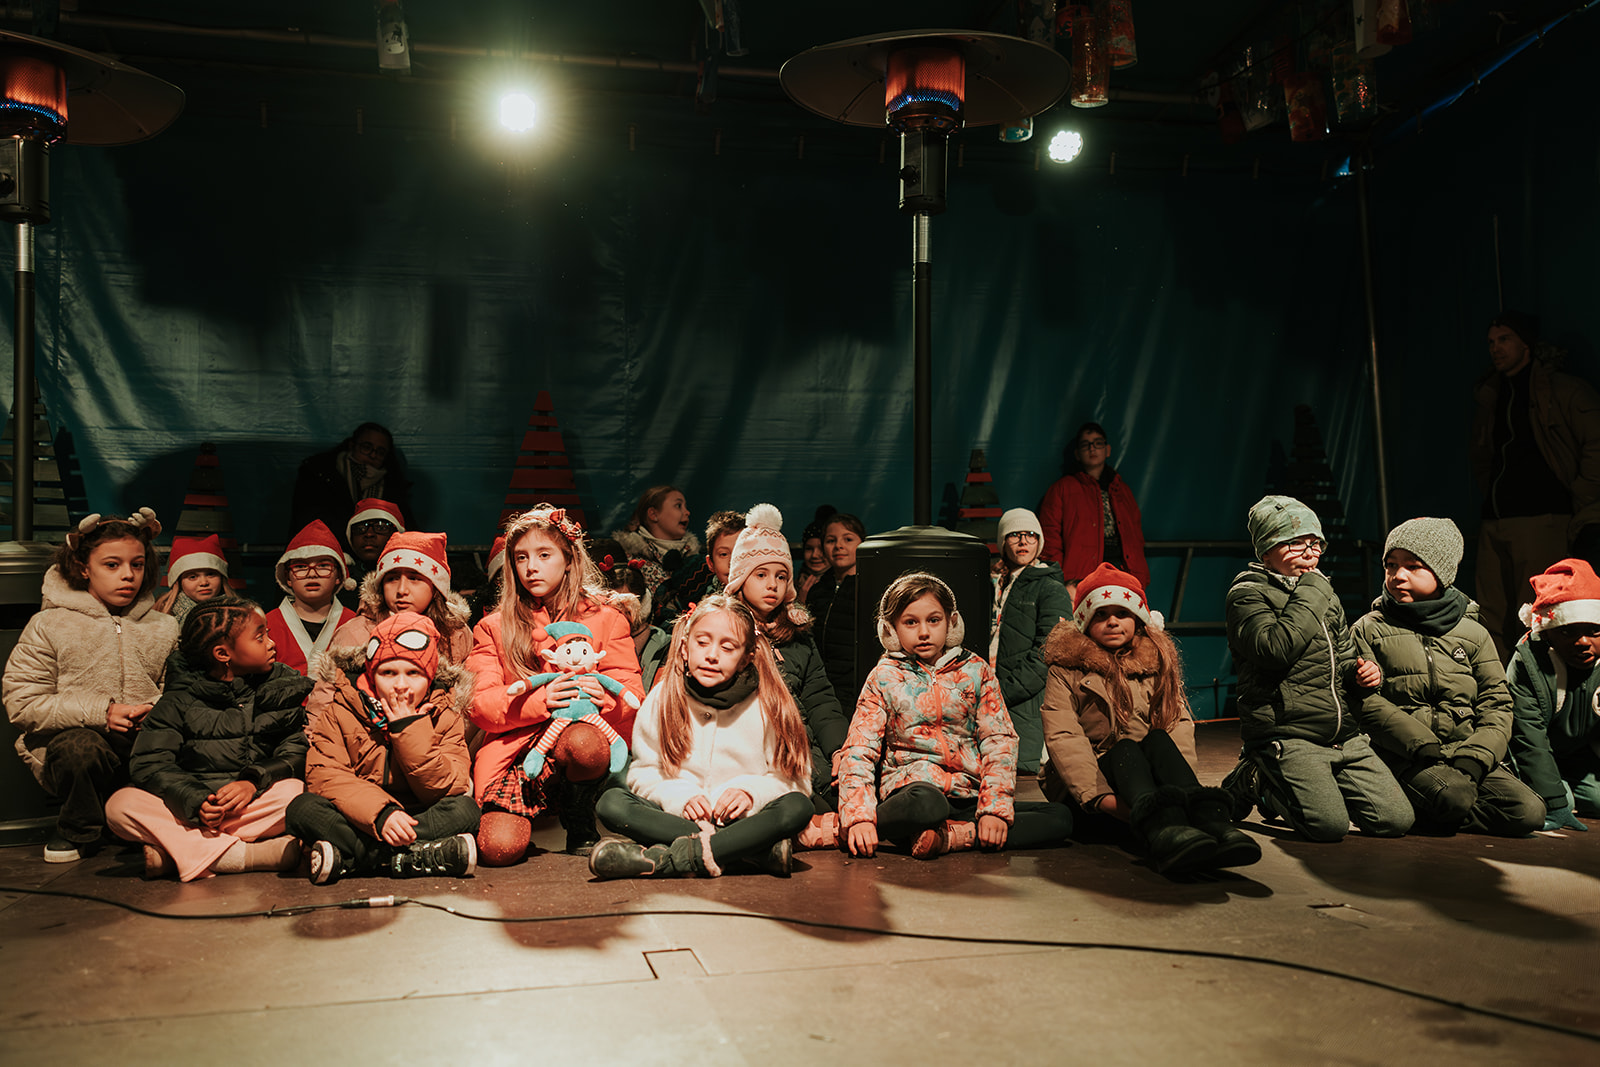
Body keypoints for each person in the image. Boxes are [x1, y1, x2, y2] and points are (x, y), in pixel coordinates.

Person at [1040, 564, 1261, 875]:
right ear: (1085, 621)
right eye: (1101, 614)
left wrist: (1180, 795)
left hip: (1156, 792)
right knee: (1125, 749)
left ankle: (1210, 822)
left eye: (1122, 613)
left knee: (1158, 738)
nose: (1112, 621)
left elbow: (1176, 725)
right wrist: (1101, 799)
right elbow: (1064, 738)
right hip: (1094, 797)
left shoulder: (1155, 663)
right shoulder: (1066, 670)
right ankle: (1165, 833)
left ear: (1138, 618)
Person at [837, 572, 1073, 859]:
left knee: (1060, 817)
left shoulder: (977, 670)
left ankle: (950, 837)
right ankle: (854, 828)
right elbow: (860, 747)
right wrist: (859, 817)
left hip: (967, 795)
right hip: (913, 793)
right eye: (910, 622)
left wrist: (993, 809)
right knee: (927, 804)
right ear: (891, 630)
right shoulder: (884, 676)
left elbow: (999, 740)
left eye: (933, 620)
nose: (924, 632)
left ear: (951, 622)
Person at [1219, 496, 1414, 842]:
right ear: (1266, 551)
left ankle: (1315, 784)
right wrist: (1312, 590)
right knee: (1327, 827)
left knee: (1395, 820)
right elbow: (1274, 650)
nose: (1310, 553)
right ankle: (1256, 777)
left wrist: (1363, 674)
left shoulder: (1324, 595)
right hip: (1288, 732)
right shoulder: (1248, 594)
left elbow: (1345, 656)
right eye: (1296, 543)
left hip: (1341, 735)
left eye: (1315, 544)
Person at [589, 596, 814, 879]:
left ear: (747, 657)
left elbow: (795, 780)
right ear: (685, 649)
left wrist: (750, 793)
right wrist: (680, 797)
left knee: (798, 807)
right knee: (611, 803)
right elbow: (644, 774)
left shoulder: (768, 703)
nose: (712, 655)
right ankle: (747, 852)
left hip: (744, 821)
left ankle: (666, 860)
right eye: (702, 642)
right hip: (680, 820)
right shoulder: (663, 698)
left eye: (728, 647)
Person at [467, 506, 644, 863]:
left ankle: (578, 817)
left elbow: (633, 693)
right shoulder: (493, 626)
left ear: (569, 560)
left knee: (585, 743)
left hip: (578, 737)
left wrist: (605, 700)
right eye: (521, 557)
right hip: (518, 750)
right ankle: (530, 811)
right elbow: (480, 704)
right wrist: (540, 701)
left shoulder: (606, 619)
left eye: (544, 555)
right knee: (499, 850)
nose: (531, 567)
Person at [3, 509, 178, 862]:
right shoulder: (49, 624)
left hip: (145, 745)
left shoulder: (164, 626)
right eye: (112, 565)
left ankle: (143, 823)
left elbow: (179, 690)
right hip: (82, 747)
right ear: (84, 568)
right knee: (80, 748)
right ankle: (78, 829)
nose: (128, 575)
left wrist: (155, 710)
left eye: (137, 564)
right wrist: (103, 712)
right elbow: (23, 702)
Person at [1351, 518, 1544, 837]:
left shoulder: (1473, 633)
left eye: (1413, 566)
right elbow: (1365, 702)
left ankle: (1430, 809)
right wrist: (1421, 745)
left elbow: (1497, 703)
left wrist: (1475, 757)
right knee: (1453, 796)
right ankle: (1402, 800)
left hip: (1462, 752)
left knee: (1528, 812)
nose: (1398, 575)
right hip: (1405, 754)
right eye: (1391, 565)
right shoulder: (1369, 629)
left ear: (1442, 573)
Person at [104, 598, 312, 880]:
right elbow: (150, 763)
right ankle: (242, 857)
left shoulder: (277, 689)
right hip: (189, 810)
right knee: (121, 805)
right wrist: (194, 800)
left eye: (268, 634)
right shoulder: (177, 701)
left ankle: (179, 852)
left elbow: (294, 752)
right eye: (260, 637)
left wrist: (252, 781)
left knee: (296, 792)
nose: (271, 643)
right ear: (222, 654)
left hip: (247, 806)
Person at [287, 612, 480, 884]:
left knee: (466, 810)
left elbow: (450, 785)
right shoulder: (341, 709)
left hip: (419, 816)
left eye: (413, 673)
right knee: (302, 809)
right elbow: (325, 775)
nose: (400, 685)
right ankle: (416, 857)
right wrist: (381, 815)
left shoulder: (445, 713)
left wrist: (409, 728)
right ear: (372, 674)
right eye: (388, 673)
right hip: (363, 818)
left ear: (429, 677)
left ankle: (360, 860)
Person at [1470, 311, 1600, 660]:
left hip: (1542, 516)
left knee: (1537, 612)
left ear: (1526, 344)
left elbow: (1595, 442)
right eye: (1491, 342)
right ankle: (1500, 685)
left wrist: (1580, 495)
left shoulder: (1561, 389)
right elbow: (1483, 455)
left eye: (1505, 339)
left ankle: (1539, 683)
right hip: (1496, 517)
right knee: (1491, 614)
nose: (1495, 348)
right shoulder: (1492, 393)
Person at [723, 505, 850, 845]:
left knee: (851, 798)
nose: (772, 585)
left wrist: (839, 750)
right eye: (761, 575)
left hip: (812, 754)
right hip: (765, 760)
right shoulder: (724, 632)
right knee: (813, 811)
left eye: (781, 576)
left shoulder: (797, 634)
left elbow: (820, 699)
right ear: (740, 578)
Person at [1506, 558, 1600, 831]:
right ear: (1547, 633)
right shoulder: (1529, 662)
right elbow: (1527, 737)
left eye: (1594, 630)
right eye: (1568, 631)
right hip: (1529, 754)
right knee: (1560, 800)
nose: (1583, 642)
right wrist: (1556, 804)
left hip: (1580, 756)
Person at [990, 507, 1073, 773]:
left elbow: (1050, 651)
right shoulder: (993, 584)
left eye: (1030, 535)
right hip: (987, 696)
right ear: (1003, 541)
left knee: (1018, 775)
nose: (1023, 541)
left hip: (1023, 701)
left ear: (1039, 542)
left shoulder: (1050, 588)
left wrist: (1003, 692)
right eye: (1015, 535)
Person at [330, 530, 473, 666]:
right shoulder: (354, 633)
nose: (401, 590)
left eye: (414, 578)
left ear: (436, 588)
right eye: (392, 579)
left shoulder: (456, 633)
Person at [1038, 422, 1150, 591]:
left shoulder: (1122, 490)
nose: (1092, 448)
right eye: (1086, 445)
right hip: (1080, 579)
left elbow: (1136, 536)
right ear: (1077, 454)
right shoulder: (1062, 489)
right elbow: (1050, 538)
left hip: (1124, 574)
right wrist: (1059, 579)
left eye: (1098, 443)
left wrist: (1138, 575)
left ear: (1107, 450)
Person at [290, 422, 413, 548]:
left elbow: (406, 527)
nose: (373, 455)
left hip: (376, 554)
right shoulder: (319, 474)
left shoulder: (392, 486)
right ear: (352, 445)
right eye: (366, 447)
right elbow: (307, 521)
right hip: (324, 550)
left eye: (380, 452)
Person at [264, 521, 356, 675]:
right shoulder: (268, 625)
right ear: (287, 577)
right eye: (300, 567)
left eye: (323, 566)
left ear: (339, 575)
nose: (312, 574)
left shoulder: (353, 623)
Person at [590, 540, 670, 691]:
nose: (620, 615)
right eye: (614, 606)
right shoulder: (588, 648)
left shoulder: (666, 649)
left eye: (628, 605)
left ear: (643, 605)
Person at [807, 512, 867, 712]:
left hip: (857, 688)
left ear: (862, 544)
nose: (839, 546)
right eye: (831, 540)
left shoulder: (869, 588)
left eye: (848, 539)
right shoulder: (817, 590)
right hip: (821, 686)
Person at [650, 510, 745, 628]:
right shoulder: (705, 610)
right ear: (711, 564)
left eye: (740, 552)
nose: (732, 562)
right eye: (724, 554)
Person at [611, 485, 696, 603]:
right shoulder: (629, 561)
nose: (687, 512)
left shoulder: (695, 558)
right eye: (678, 505)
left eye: (685, 507)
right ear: (653, 514)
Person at [152, 533, 230, 627]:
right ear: (179, 582)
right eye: (193, 577)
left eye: (210, 574)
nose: (204, 582)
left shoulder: (237, 613)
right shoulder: (164, 614)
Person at [345, 497, 405, 600]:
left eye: (381, 527)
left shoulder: (411, 578)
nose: (369, 534)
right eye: (360, 528)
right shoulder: (339, 582)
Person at [796, 506, 836, 605]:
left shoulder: (841, 587)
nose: (814, 555)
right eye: (809, 548)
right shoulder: (792, 585)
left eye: (821, 549)